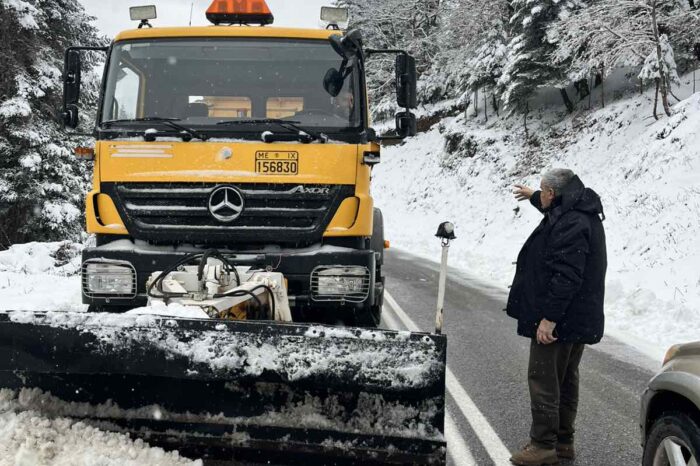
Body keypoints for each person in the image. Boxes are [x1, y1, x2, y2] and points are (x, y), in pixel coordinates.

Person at [507, 169, 607, 466]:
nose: (542, 195)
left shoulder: (572, 223)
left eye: (543, 191)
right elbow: (554, 206)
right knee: (565, 379)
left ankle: (543, 445)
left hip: (562, 320)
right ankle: (564, 442)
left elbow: (567, 276)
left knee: (544, 379)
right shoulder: (577, 207)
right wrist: (532, 196)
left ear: (554, 193)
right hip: (576, 318)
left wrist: (549, 319)